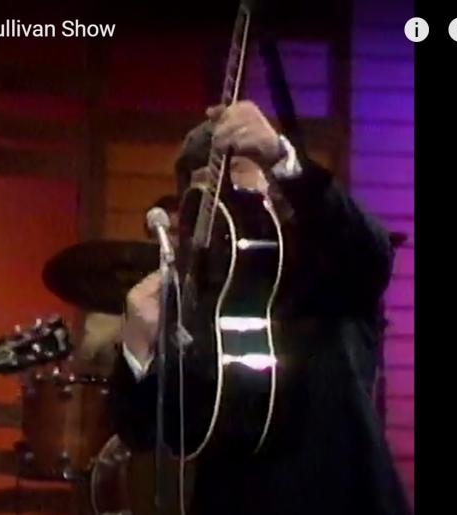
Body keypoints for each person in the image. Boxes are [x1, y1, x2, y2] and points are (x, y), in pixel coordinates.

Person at [108, 101, 411, 515]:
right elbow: (147, 432)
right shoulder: (192, 295)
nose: (223, 202)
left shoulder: (325, 262)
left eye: (238, 178)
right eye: (206, 194)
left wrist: (282, 157)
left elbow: (368, 251)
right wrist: (136, 350)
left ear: (275, 191)